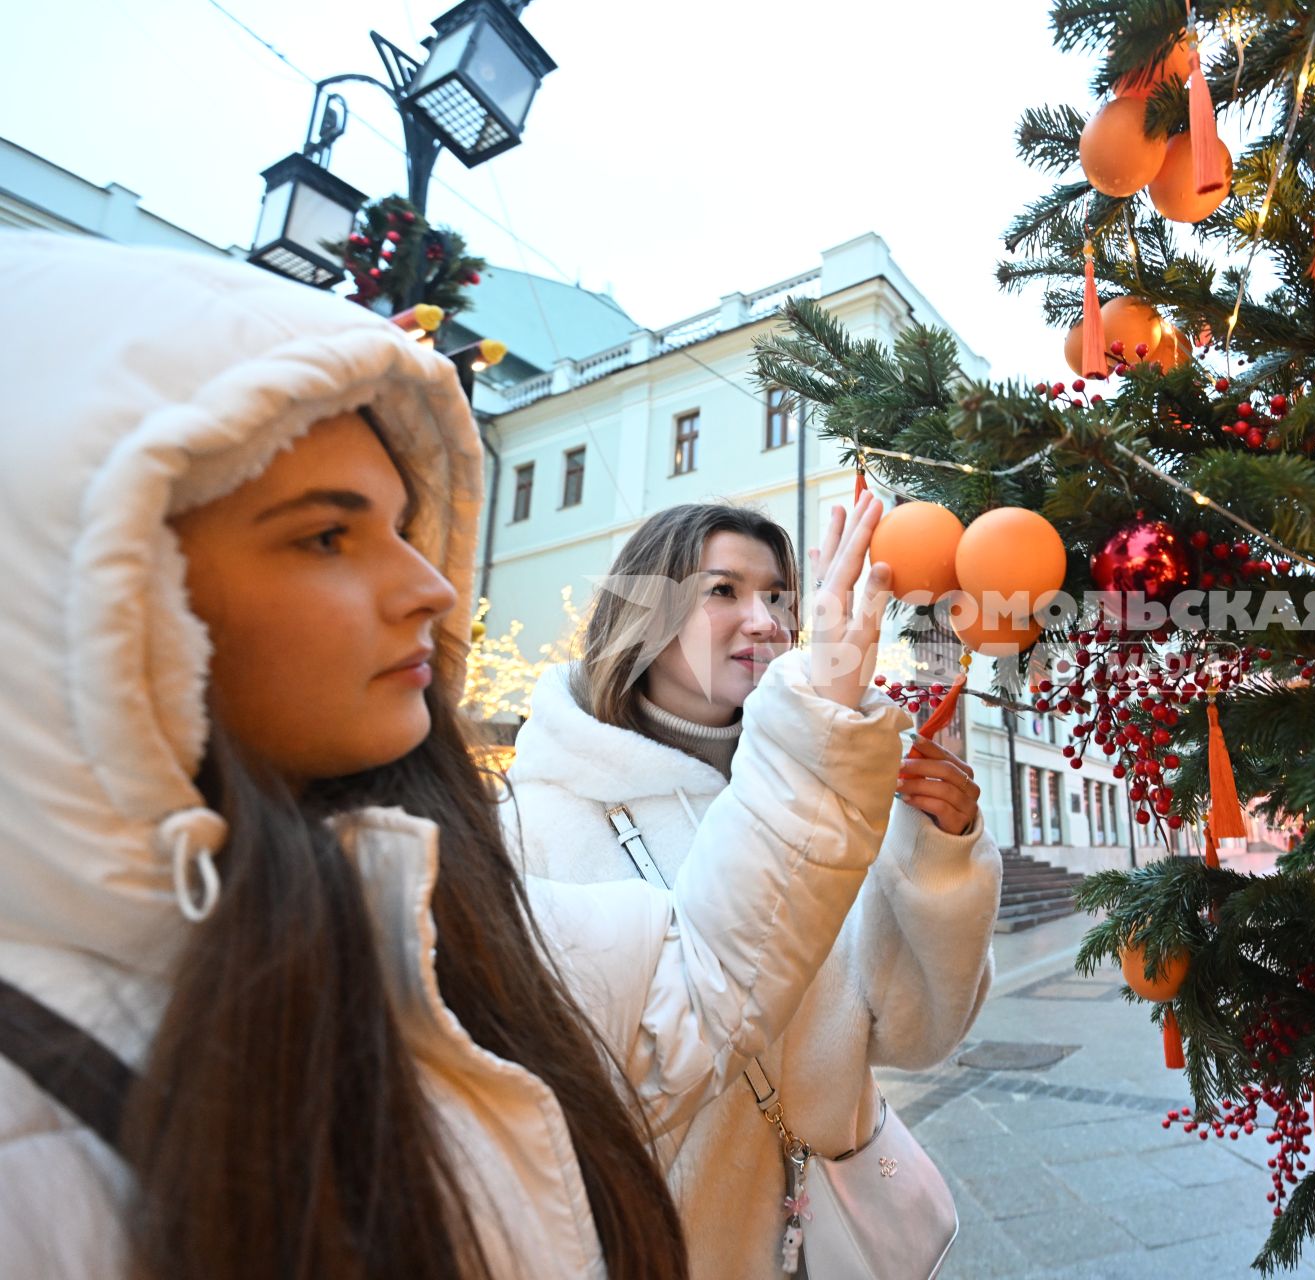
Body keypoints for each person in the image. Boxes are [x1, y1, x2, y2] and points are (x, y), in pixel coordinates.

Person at [0, 233, 911, 1279]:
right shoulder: (32, 1130)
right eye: (327, 536)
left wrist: (882, 776)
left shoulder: (423, 896)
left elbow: (706, 994)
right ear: (100, 590)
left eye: (403, 525)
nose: (434, 587)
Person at [507, 503, 1002, 1279]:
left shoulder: (829, 789)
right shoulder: (536, 817)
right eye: (724, 591)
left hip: (842, 1230)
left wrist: (938, 853)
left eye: (778, 596)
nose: (766, 620)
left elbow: (912, 1035)